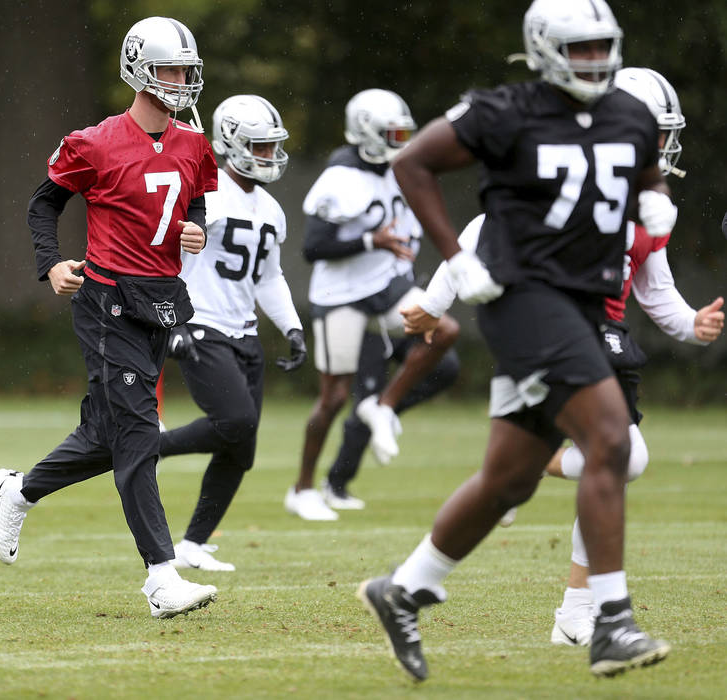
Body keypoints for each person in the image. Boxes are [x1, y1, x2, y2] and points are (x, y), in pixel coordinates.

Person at [356, 0, 675, 681]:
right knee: (613, 440)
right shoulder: (505, 111)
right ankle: (610, 621)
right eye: (579, 48)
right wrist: (453, 254)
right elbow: (414, 163)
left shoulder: (629, 113)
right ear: (546, 50)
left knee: (510, 480)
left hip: (582, 302)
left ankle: (403, 589)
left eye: (601, 47)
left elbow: (641, 162)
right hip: (522, 295)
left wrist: (651, 196)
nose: (592, 60)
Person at [0, 16, 220, 619]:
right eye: (171, 69)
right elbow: (44, 204)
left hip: (161, 298)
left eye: (187, 70)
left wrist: (195, 227)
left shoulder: (194, 142)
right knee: (140, 432)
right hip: (108, 299)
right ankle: (161, 578)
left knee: (105, 435)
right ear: (141, 69)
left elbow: (192, 198)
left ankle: (19, 490)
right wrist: (51, 265)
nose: (182, 80)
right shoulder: (94, 142)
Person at [495, 67, 721, 647]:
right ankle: (578, 602)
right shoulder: (573, 189)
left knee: (614, 467)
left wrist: (694, 325)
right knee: (621, 458)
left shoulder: (649, 206)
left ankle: (575, 611)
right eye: (656, 133)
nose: (666, 148)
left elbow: (655, 288)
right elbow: (485, 231)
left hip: (611, 339)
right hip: (569, 331)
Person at [286, 88, 460, 521]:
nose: (401, 141)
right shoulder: (341, 176)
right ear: (366, 133)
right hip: (341, 296)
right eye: (392, 133)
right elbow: (314, 246)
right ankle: (303, 488)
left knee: (445, 331)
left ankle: (383, 405)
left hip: (386, 287)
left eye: (405, 132)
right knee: (333, 399)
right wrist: (371, 239)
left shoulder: (400, 168)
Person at [158, 94, 307, 572]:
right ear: (231, 143)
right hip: (203, 323)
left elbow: (268, 278)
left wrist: (292, 326)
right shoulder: (206, 192)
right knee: (236, 421)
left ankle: (194, 544)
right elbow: (171, 261)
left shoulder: (271, 208)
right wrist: (173, 321)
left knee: (241, 450)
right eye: (259, 146)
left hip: (244, 334)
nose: (268, 155)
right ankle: (146, 447)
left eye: (271, 147)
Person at [321, 330, 460, 511]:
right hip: (371, 325)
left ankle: (383, 412)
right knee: (365, 403)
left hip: (404, 322)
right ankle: (336, 484)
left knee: (445, 366)